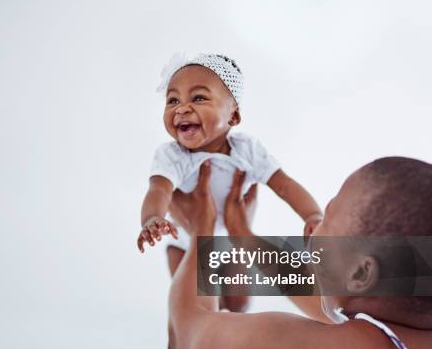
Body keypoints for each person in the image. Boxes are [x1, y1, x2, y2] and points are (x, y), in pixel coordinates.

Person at [166, 157, 432, 349]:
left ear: (361, 273)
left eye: (328, 218)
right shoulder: (425, 331)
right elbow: (328, 294)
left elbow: (185, 329)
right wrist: (244, 238)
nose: (312, 233)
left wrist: (201, 230)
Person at [136, 53, 323, 261]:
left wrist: (312, 215)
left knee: (238, 291)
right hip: (183, 241)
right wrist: (152, 218)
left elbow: (285, 186)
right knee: (188, 285)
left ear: (233, 115)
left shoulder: (246, 150)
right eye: (173, 100)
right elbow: (159, 190)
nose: (181, 108)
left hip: (234, 242)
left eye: (198, 97)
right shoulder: (172, 155)